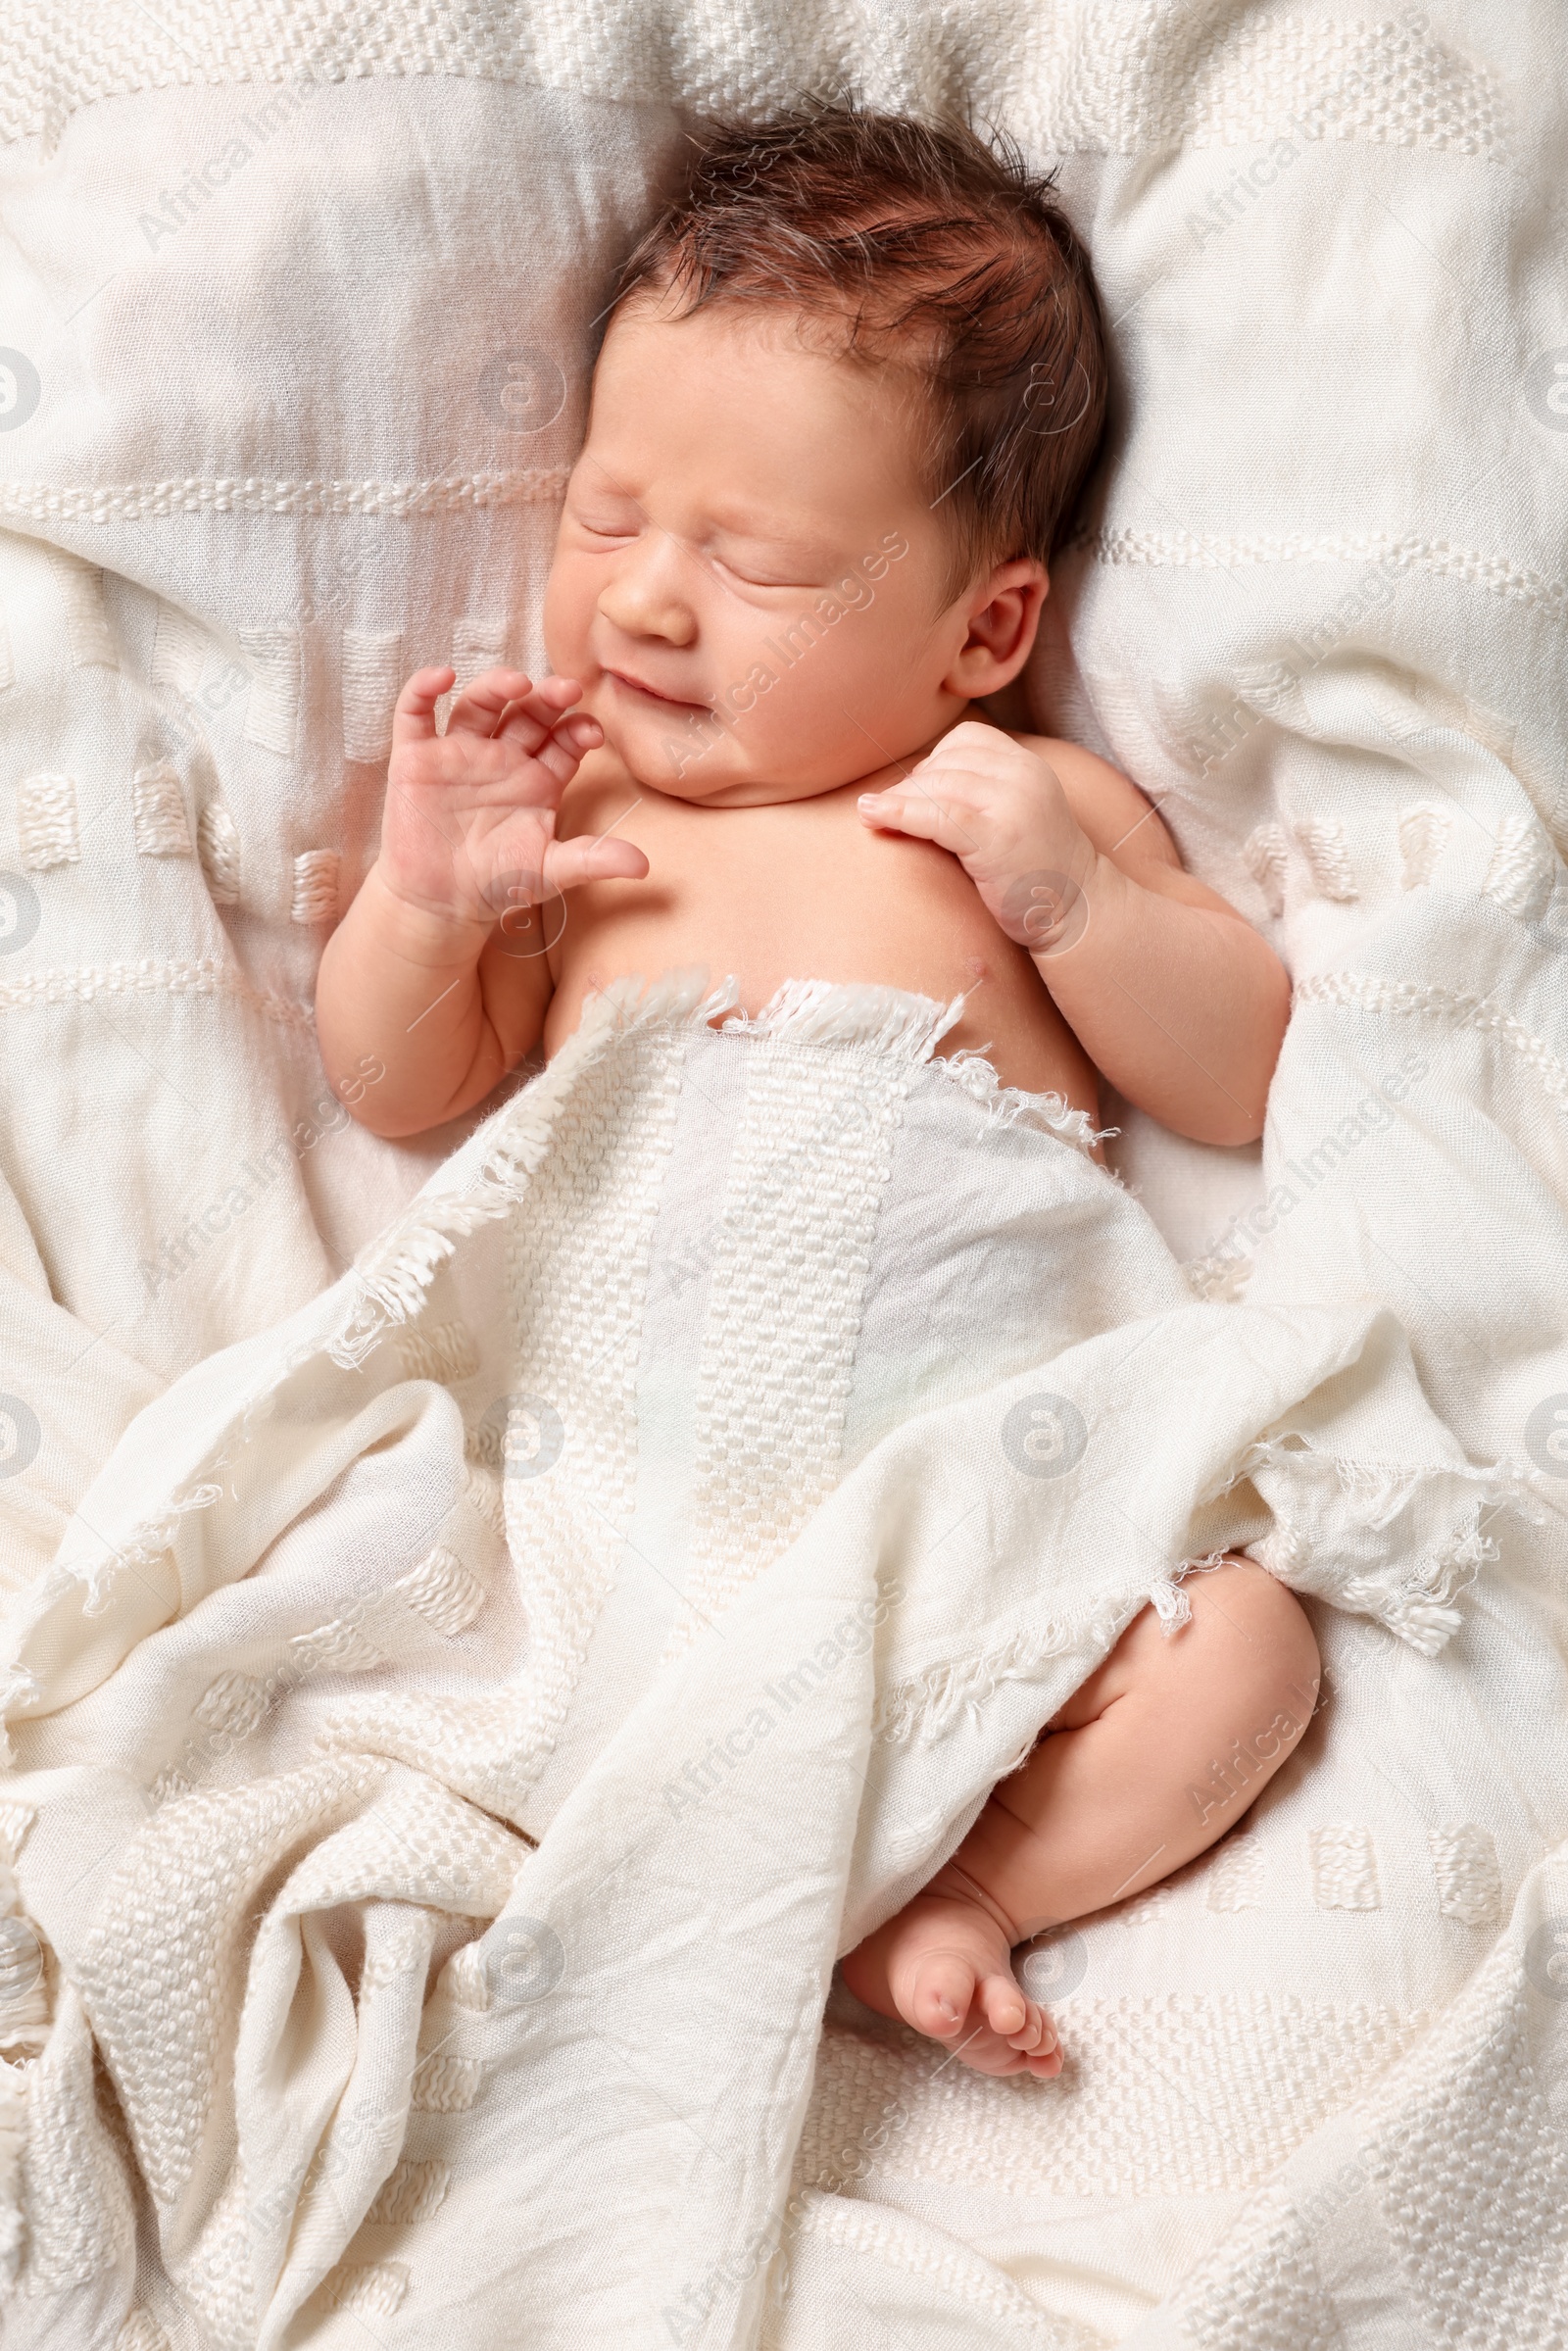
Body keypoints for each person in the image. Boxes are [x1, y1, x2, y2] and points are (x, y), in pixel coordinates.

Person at [317, 105, 1317, 2080]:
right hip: (634, 1488)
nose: (645, 601)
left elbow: (1240, 1074)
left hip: (962, 1498)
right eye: (606, 516)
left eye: (751, 561)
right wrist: (432, 909)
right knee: (366, 1586)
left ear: (985, 630)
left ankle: (972, 1884)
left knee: (1249, 1653)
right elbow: (397, 1091)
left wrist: (1077, 902)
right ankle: (639, 1826)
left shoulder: (1021, 805)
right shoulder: (569, 814)